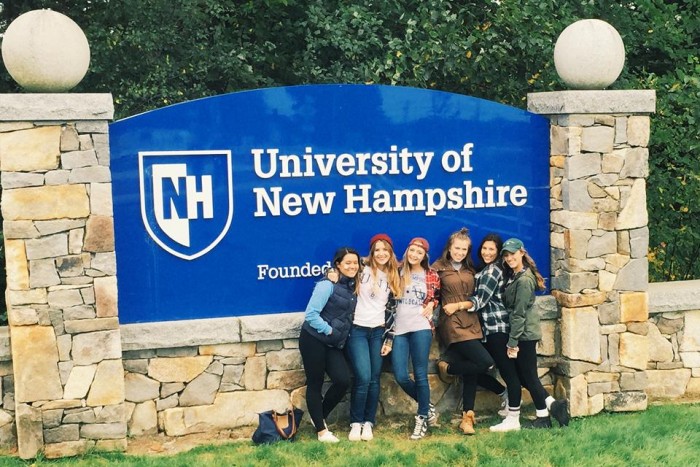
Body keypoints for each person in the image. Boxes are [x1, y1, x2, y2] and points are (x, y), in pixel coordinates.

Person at [490, 237, 570, 431]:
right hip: (523, 332)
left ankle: (543, 418)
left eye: (513, 254)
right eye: (506, 255)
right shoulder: (517, 274)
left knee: (530, 377)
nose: (509, 258)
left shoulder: (524, 280)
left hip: (524, 334)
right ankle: (553, 405)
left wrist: (512, 342)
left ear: (522, 253)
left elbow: (519, 313)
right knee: (526, 377)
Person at [432, 227, 506, 435]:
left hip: (473, 321)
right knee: (484, 362)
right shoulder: (438, 268)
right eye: (457, 248)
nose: (460, 252)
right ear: (449, 247)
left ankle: (467, 418)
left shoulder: (471, 270)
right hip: (452, 321)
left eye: (464, 249)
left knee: (474, 370)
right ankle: (449, 369)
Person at [460, 233, 525, 431]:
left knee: (508, 372)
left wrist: (458, 306)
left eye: (492, 249)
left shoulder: (492, 271)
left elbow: (481, 300)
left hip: (497, 328)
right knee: (479, 367)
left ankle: (513, 418)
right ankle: (505, 398)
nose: (487, 252)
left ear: (498, 253)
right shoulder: (486, 270)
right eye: (484, 248)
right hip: (487, 330)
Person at [299, 247, 361, 442]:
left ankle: (319, 418)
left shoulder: (353, 285)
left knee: (342, 380)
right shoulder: (327, 285)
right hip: (314, 339)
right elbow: (310, 314)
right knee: (315, 383)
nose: (353, 266)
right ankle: (321, 432)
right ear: (338, 265)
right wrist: (330, 331)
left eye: (355, 263)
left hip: (333, 344)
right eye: (348, 263)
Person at [381, 237, 440, 440]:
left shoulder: (431, 275)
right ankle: (428, 405)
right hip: (399, 329)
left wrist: (433, 303)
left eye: (419, 252)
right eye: (412, 250)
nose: (415, 254)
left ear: (424, 256)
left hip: (421, 327)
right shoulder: (396, 272)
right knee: (400, 375)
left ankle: (422, 418)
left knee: (421, 374)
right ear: (407, 251)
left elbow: (436, 296)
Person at [345, 234, 402, 441]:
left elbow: (395, 312)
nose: (381, 253)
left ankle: (368, 422)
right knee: (363, 377)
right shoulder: (361, 269)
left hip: (378, 331)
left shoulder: (395, 275)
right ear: (371, 251)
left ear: (390, 252)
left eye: (385, 250)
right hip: (358, 330)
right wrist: (330, 274)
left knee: (375, 378)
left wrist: (389, 340)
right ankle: (355, 422)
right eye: (377, 249)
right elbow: (341, 269)